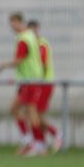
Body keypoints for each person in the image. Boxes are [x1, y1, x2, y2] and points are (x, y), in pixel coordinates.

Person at [0, 12, 46, 156]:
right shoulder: (30, 36)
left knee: (31, 112)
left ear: (18, 22)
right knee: (15, 109)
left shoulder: (24, 38)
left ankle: (38, 144)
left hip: (30, 80)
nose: (11, 27)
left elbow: (19, 60)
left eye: (12, 23)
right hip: (28, 80)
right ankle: (29, 140)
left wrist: (3, 66)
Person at [27, 20, 62, 152]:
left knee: (35, 114)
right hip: (37, 83)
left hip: (44, 83)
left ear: (37, 29)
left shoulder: (41, 44)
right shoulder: (33, 44)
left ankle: (55, 134)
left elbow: (42, 65)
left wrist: (37, 80)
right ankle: (41, 141)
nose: (31, 33)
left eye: (33, 30)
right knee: (34, 114)